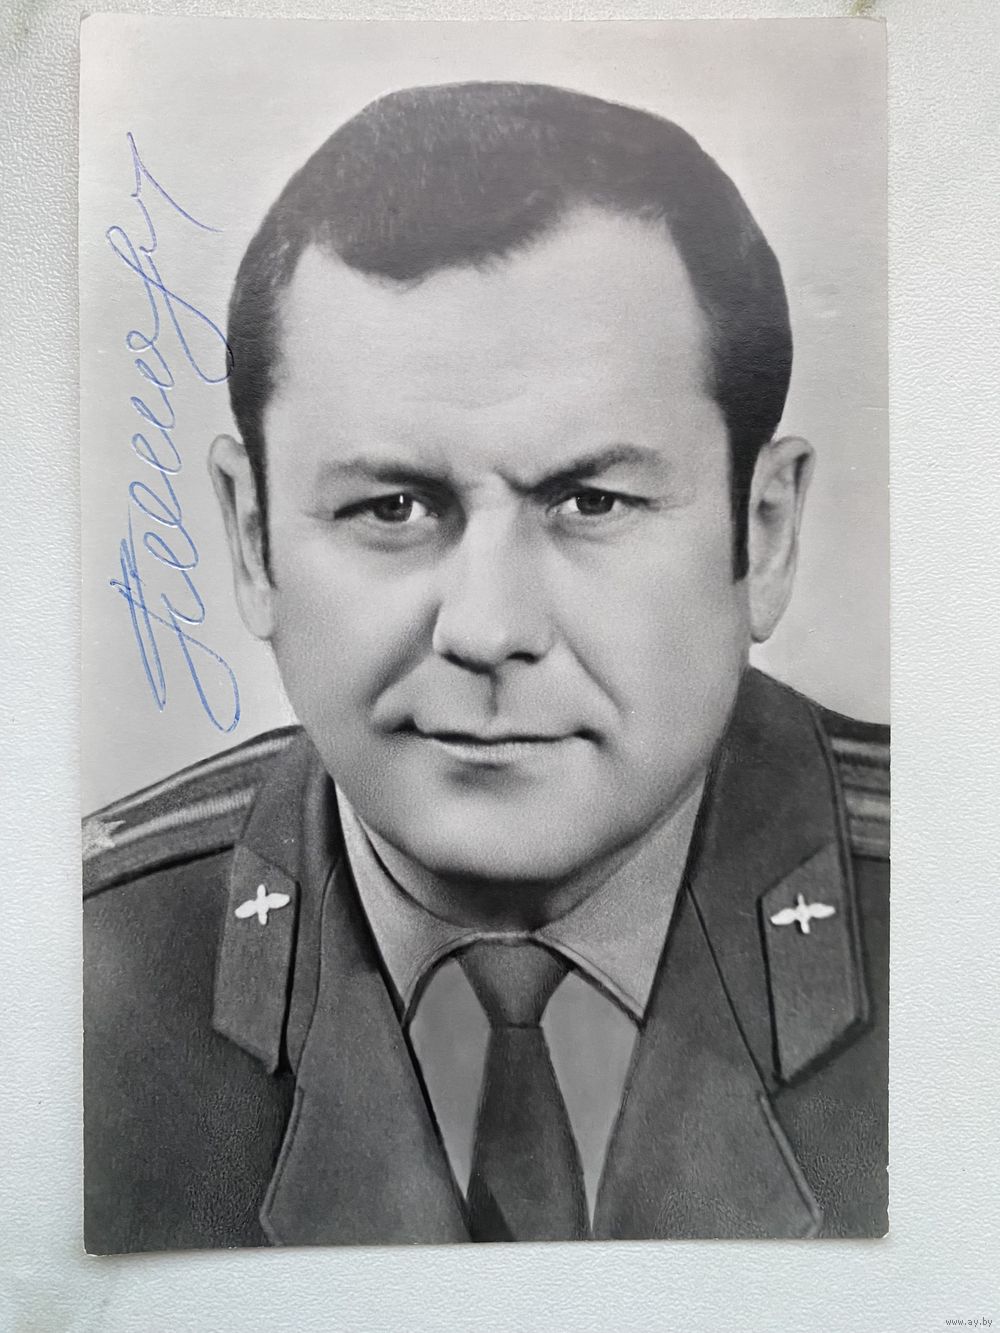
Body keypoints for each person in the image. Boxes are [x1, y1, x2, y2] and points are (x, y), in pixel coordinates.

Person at [83, 81, 889, 1252]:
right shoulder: (68, 980)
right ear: (253, 541)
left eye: (591, 500)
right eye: (391, 506)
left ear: (761, 535)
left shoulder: (961, 922)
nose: (488, 627)